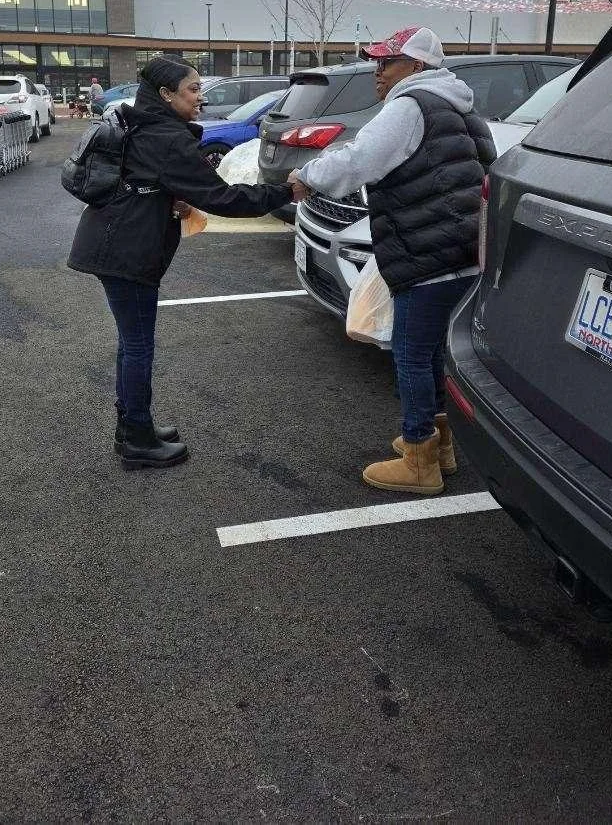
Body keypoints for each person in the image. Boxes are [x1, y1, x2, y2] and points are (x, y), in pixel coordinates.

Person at [68, 56, 309, 470]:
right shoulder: (165, 137)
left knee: (132, 343)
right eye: (193, 89)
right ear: (166, 95)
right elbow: (223, 198)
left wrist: (164, 197)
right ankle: (137, 439)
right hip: (126, 251)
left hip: (115, 243)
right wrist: (284, 192)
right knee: (138, 345)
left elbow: (143, 180)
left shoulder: (142, 123)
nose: (201, 98)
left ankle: (133, 427)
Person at [290, 27, 496, 496]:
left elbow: (358, 160)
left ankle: (420, 459)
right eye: (377, 62)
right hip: (461, 252)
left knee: (410, 354)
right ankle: (439, 444)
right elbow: (486, 172)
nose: (377, 72)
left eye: (388, 62)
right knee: (433, 353)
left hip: (426, 255)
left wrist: (305, 176)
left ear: (417, 66)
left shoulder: (410, 105)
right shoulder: (463, 108)